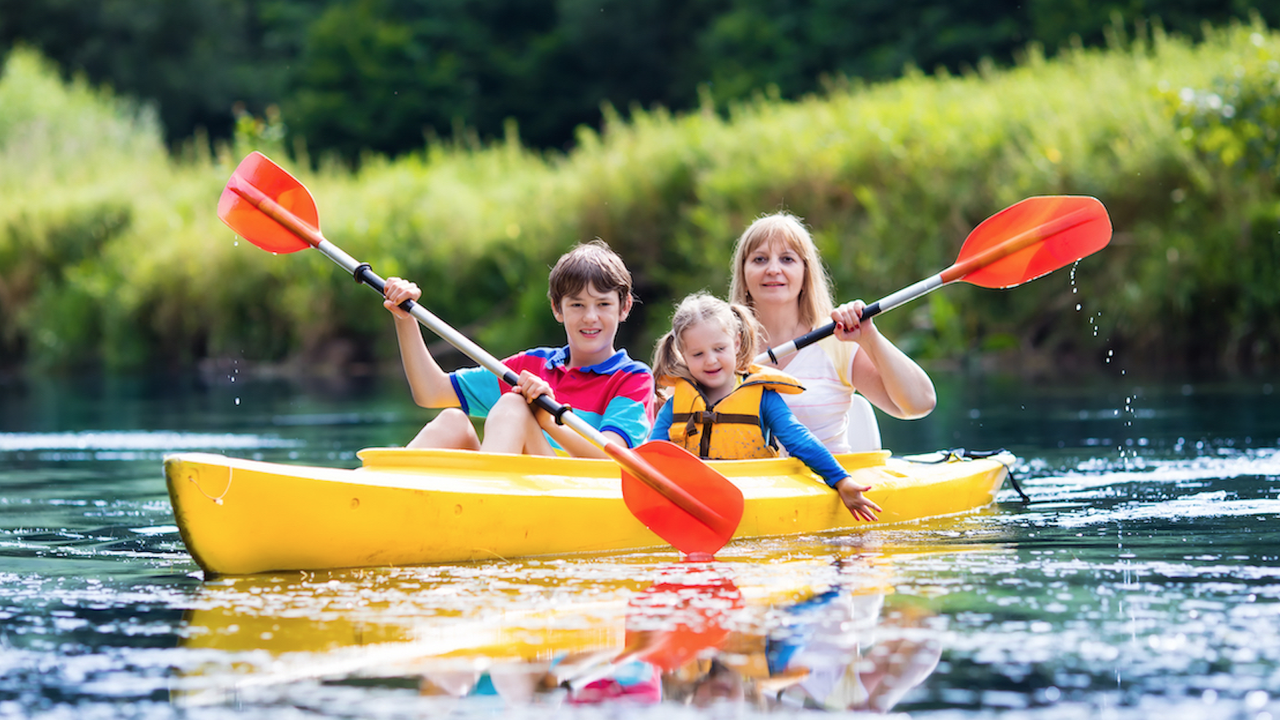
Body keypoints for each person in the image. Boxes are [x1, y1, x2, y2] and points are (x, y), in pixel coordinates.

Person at [381, 240, 654, 457]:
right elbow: (431, 392)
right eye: (577, 305)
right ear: (557, 309)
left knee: (514, 403)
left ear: (625, 307)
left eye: (603, 304)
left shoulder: (633, 378)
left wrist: (548, 419)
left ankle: (483, 505)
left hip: (568, 498)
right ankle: (380, 493)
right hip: (514, 488)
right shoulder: (532, 366)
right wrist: (405, 318)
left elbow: (611, 457)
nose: (590, 317)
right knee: (453, 420)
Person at [650, 293, 881, 521]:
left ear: (737, 342)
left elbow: (799, 439)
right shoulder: (675, 405)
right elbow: (652, 455)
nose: (711, 360)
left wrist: (841, 480)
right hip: (695, 501)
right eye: (698, 354)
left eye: (719, 349)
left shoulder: (763, 397)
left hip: (756, 498)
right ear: (683, 354)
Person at [729, 213, 936, 453]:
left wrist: (869, 338)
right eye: (760, 259)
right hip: (747, 485)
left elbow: (919, 404)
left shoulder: (837, 341)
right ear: (743, 273)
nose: (773, 269)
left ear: (806, 274)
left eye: (787, 259)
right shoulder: (718, 345)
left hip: (830, 484)